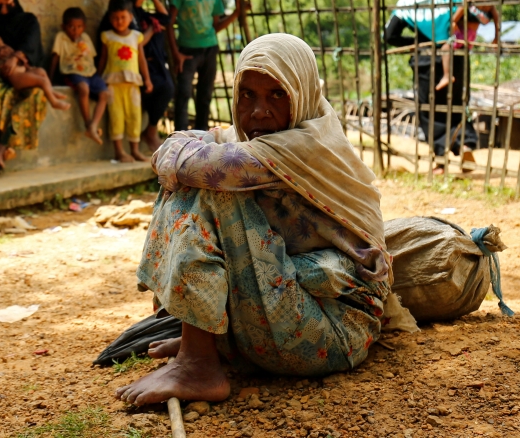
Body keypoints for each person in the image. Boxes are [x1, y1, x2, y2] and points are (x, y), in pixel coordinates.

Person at [117, 34, 400, 407]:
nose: (258, 111)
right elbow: (191, 147)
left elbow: (192, 162)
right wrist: (184, 149)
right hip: (285, 315)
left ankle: (198, 362)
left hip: (331, 330)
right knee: (204, 179)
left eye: (277, 95)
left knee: (210, 186)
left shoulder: (303, 144)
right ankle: (203, 341)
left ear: (300, 93)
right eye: (247, 94)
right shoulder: (259, 138)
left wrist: (182, 151)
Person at [385, 0, 476, 173]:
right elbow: (472, 20)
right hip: (455, 55)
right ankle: (464, 143)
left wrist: (417, 43)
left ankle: (440, 160)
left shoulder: (408, 0)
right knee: (457, 101)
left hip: (426, 60)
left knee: (430, 108)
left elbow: (390, 35)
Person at [168, 0, 248, 132]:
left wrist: (236, 13)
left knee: (205, 95)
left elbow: (216, 26)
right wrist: (176, 53)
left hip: (210, 48)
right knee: (183, 93)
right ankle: (180, 135)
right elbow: (169, 23)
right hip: (186, 50)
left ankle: (202, 134)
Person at [99, 0, 174, 151]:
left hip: (144, 66)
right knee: (164, 88)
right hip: (126, 69)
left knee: (168, 85)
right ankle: (150, 131)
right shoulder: (121, 14)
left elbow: (165, 18)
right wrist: (150, 30)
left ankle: (150, 130)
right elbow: (133, 42)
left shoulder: (137, 12)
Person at [0, 36, 49, 169]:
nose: (1, 46)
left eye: (2, 42)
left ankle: (4, 146)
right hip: (4, 80)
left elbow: (27, 57)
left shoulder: (14, 49)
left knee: (35, 92)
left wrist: (17, 58)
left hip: (19, 78)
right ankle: (0, 145)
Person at [99, 0, 152, 163]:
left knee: (134, 116)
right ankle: (119, 151)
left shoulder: (136, 37)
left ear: (130, 17)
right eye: (115, 17)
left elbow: (141, 60)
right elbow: (103, 59)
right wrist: (98, 78)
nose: (119, 21)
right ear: (109, 18)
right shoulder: (107, 36)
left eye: (123, 17)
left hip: (133, 84)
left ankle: (134, 150)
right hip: (113, 84)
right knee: (116, 117)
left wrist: (147, 80)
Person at [51, 7, 108, 145]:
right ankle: (88, 123)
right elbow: (55, 57)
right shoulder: (61, 37)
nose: (75, 30)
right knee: (83, 89)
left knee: (105, 94)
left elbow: (92, 58)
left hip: (90, 72)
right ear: (63, 26)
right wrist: (50, 78)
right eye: (71, 27)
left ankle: (93, 125)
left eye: (79, 27)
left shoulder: (86, 38)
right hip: (72, 71)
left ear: (84, 27)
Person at [437, 0, 499, 92]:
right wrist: (496, 38)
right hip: (472, 37)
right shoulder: (489, 2)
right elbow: (497, 20)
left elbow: (457, 15)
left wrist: (453, 22)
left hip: (461, 33)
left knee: (445, 48)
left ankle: (446, 75)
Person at [0, 35, 69, 110]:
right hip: (17, 77)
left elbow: (20, 56)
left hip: (25, 70)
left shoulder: (8, 50)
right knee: (42, 81)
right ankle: (54, 102)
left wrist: (19, 59)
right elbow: (0, 68)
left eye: (2, 43)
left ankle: (51, 91)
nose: (3, 46)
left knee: (41, 71)